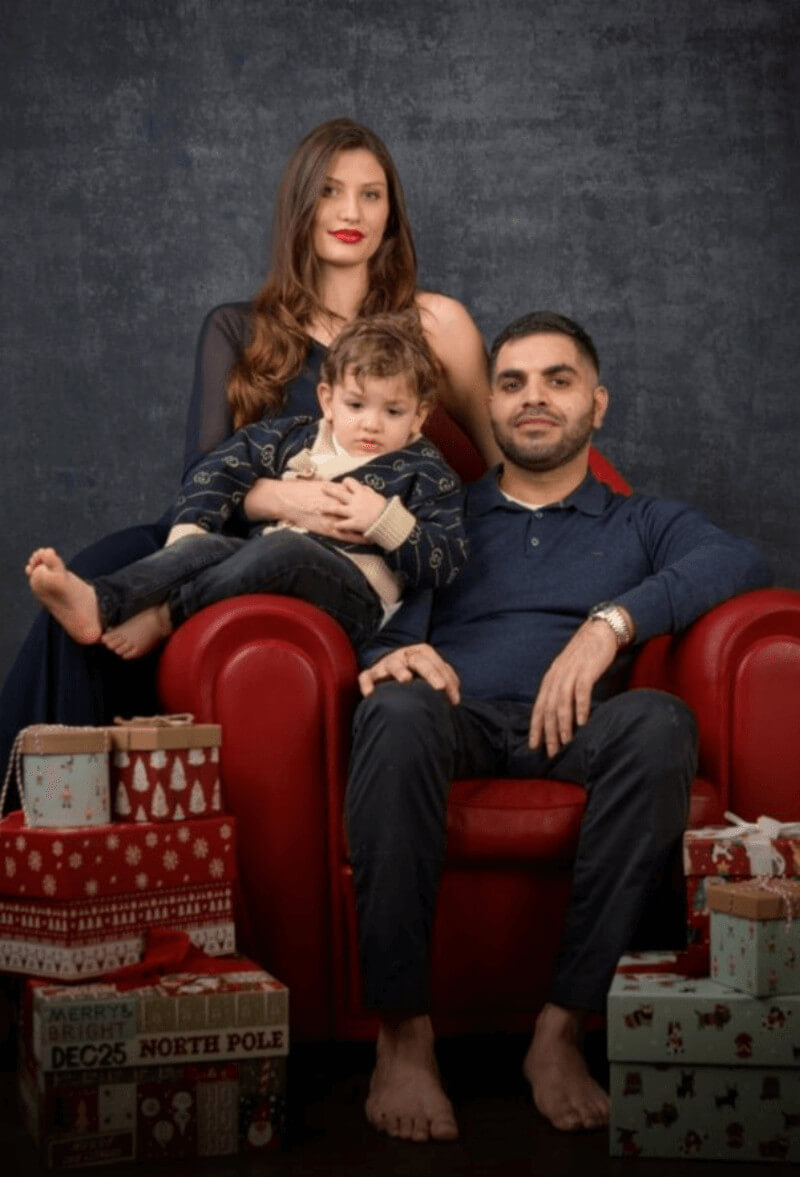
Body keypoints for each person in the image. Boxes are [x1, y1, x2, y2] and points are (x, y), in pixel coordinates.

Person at [345, 310, 772, 1143]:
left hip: (580, 730)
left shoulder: (640, 521)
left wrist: (611, 623)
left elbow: (739, 561)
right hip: (455, 719)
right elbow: (383, 621)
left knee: (659, 722)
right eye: (512, 383)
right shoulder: (441, 517)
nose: (533, 397)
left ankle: (561, 1028)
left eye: (558, 380)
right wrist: (395, 657)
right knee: (392, 708)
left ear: (596, 404)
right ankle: (402, 1034)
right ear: (490, 406)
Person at [0, 116, 494, 791]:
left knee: (253, 565)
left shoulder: (436, 324)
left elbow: (496, 474)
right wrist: (294, 499)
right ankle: (33, 816)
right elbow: (202, 477)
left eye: (371, 194)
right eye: (330, 191)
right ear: (300, 206)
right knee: (89, 579)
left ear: (392, 213)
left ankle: (154, 636)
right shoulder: (238, 328)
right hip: (222, 529)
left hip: (351, 563)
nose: (351, 212)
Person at [26, 314, 466, 656]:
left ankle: (167, 616)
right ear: (328, 400)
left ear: (419, 415)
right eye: (356, 405)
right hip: (266, 562)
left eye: (393, 411)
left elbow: (446, 561)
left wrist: (385, 520)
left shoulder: (425, 470)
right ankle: (102, 602)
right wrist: (189, 533)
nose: (371, 424)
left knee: (286, 549)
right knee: (207, 548)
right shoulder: (294, 437)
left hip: (355, 598)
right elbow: (218, 469)